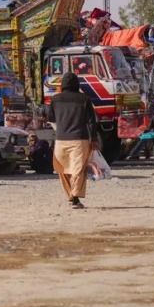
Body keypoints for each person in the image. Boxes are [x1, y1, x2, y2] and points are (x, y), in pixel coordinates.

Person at [46, 71, 98, 209]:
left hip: (61, 139)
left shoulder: (55, 99)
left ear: (62, 84)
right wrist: (93, 139)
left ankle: (71, 195)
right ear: (77, 84)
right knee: (78, 169)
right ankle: (75, 198)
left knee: (63, 169)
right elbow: (92, 121)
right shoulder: (84, 99)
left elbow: (50, 118)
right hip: (80, 139)